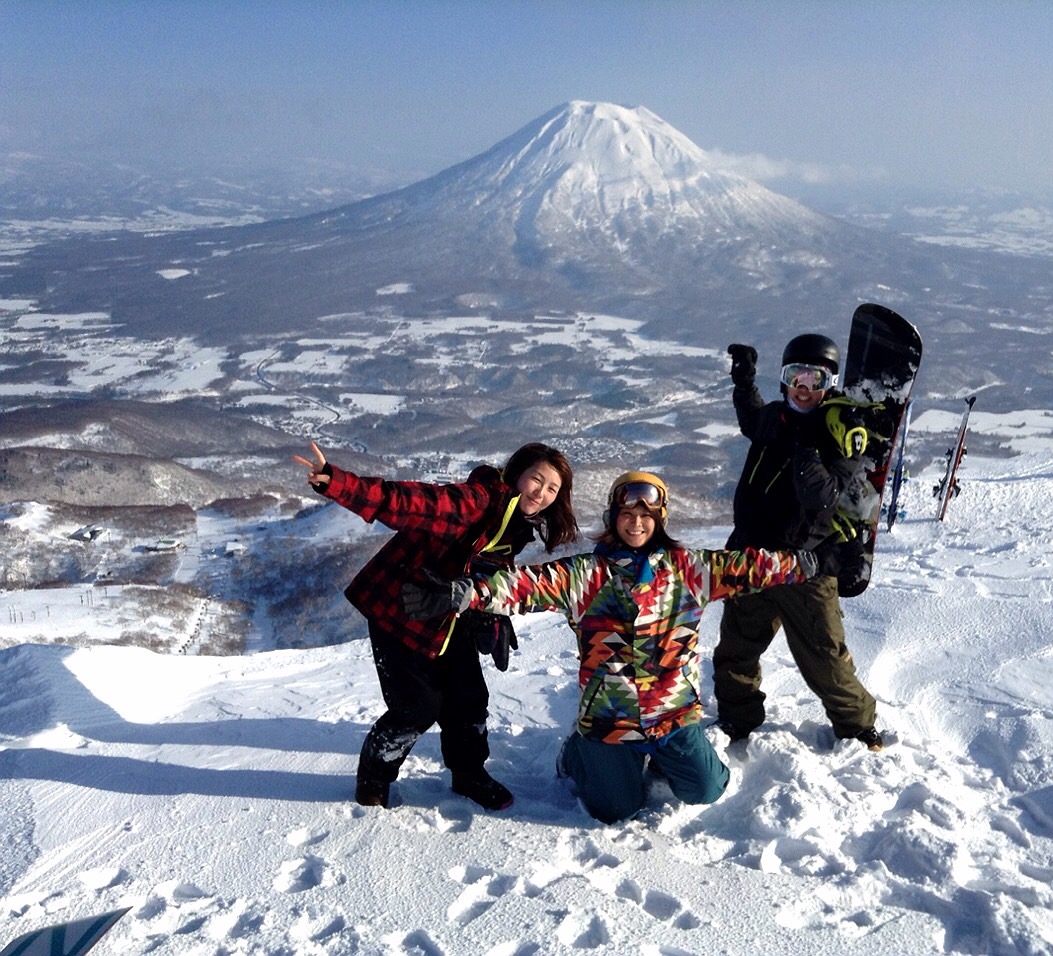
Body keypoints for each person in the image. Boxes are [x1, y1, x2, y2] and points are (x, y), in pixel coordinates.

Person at [403, 471, 843, 824]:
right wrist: (462, 593)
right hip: (609, 720)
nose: (636, 523)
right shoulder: (586, 575)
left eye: (646, 515)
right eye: (627, 514)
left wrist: (807, 563)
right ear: (614, 516)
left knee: (707, 789)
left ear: (660, 519)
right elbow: (525, 584)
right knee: (616, 810)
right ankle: (576, 753)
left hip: (673, 717)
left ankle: (662, 757)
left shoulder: (689, 570)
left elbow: (748, 567)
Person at [294, 440, 579, 811]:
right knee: (415, 708)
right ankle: (373, 778)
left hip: (447, 614)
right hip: (402, 610)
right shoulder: (476, 502)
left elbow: (483, 568)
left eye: (551, 489)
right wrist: (337, 482)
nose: (541, 493)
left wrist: (488, 612)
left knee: (468, 699)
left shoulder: (518, 524)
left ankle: (468, 774)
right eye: (536, 480)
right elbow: (408, 502)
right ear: (516, 475)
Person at [712, 334, 884, 751]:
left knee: (823, 658)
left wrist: (807, 444)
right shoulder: (775, 416)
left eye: (815, 379)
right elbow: (752, 420)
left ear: (830, 383)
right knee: (735, 651)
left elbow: (822, 496)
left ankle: (858, 727)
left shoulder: (840, 430)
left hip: (805, 564)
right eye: (796, 377)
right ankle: (737, 720)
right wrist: (744, 382)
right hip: (751, 554)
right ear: (784, 380)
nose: (804, 388)